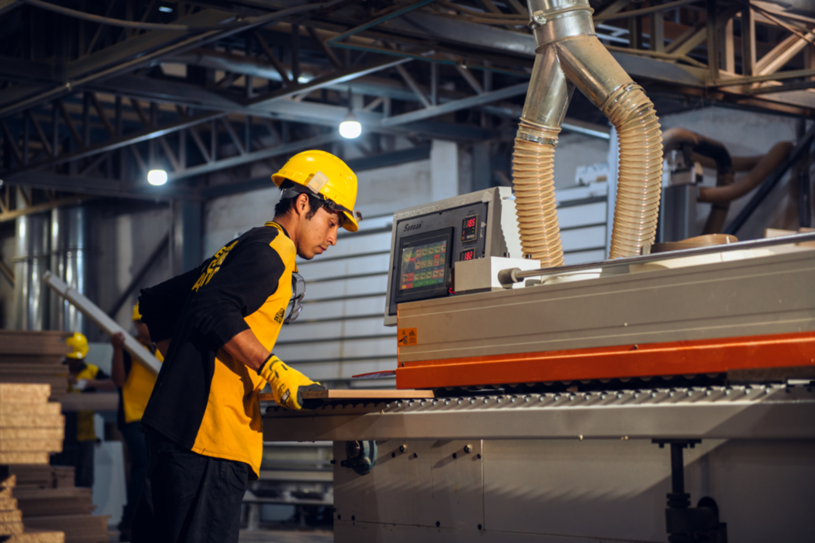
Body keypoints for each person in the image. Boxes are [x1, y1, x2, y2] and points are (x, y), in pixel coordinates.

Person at [131, 150, 361, 543]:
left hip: (173, 431)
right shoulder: (273, 251)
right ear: (303, 203)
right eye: (332, 222)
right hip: (209, 440)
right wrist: (272, 369)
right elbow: (213, 307)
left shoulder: (242, 246)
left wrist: (191, 366)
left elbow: (156, 302)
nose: (333, 238)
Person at [110, 304, 163, 542]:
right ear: (136, 324)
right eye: (142, 322)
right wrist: (117, 350)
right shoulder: (129, 347)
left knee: (154, 468)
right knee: (143, 464)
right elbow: (118, 380)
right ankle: (129, 521)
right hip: (133, 416)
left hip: (157, 417)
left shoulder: (163, 347)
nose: (146, 326)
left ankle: (149, 522)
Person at [62, 332, 116, 488]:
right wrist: (62, 381)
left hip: (85, 433)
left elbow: (113, 384)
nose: (74, 362)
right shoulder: (56, 371)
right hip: (60, 434)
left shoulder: (92, 370)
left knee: (84, 478)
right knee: (62, 475)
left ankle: (84, 502)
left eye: (77, 359)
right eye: (71, 358)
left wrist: (92, 383)